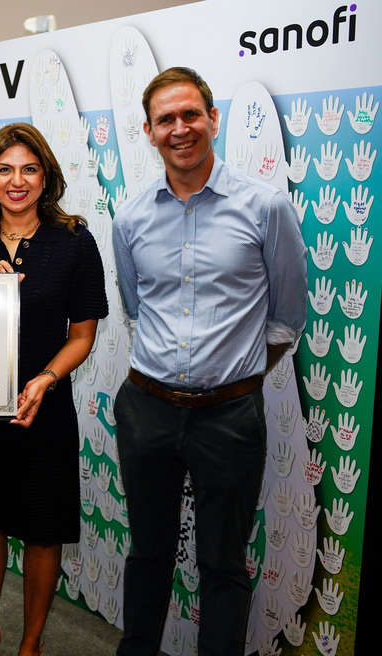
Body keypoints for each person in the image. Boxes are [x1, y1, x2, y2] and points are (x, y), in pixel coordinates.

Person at [111, 67, 307, 656]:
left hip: (230, 417)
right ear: (148, 131)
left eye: (190, 114)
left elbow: (286, 317)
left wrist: (233, 376)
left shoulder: (266, 206)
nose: (180, 129)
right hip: (146, 407)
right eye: (166, 119)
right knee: (148, 552)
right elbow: (136, 307)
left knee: (223, 563)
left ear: (213, 119)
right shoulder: (130, 219)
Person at [0, 122, 108, 656]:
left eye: (29, 169)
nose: (17, 180)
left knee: (41, 528)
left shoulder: (74, 240)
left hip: (43, 406)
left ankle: (31, 641)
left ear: (46, 175)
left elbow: (82, 335)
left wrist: (46, 379)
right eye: (5, 169)